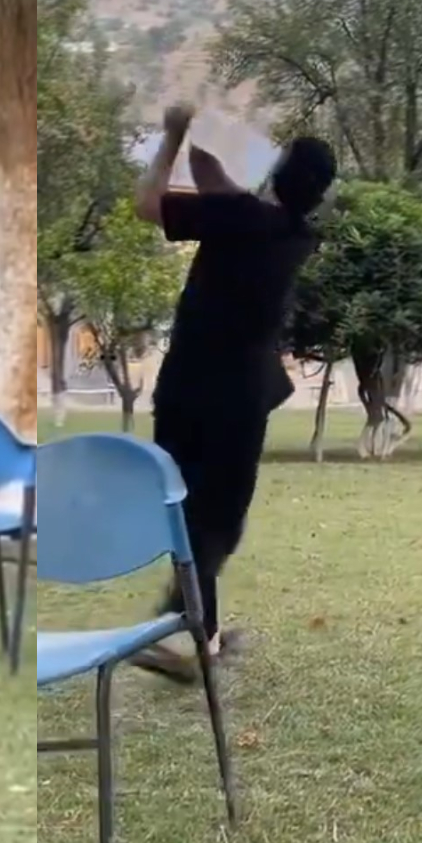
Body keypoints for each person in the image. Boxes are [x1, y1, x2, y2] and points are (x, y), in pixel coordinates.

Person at [128, 105, 337, 683]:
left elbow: (150, 203)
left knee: (189, 508)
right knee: (219, 511)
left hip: (194, 386)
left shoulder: (241, 217)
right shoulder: (295, 233)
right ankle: (204, 634)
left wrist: (172, 136)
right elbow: (216, 183)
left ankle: (187, 629)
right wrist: (201, 144)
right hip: (245, 393)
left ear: (274, 175)